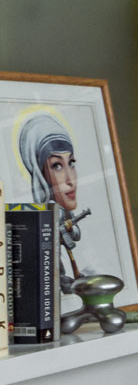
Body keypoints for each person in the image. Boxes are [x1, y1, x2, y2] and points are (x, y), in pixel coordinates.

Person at [18, 110, 89, 284]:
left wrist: (71, 228)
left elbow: (76, 235)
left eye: (71, 163)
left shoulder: (64, 211)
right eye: (57, 166)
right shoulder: (46, 213)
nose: (70, 180)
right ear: (40, 173)